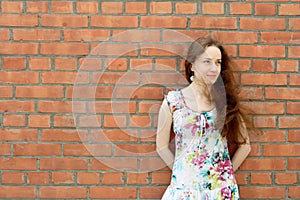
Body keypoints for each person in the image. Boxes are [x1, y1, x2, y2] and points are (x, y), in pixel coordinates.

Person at [156, 37, 253, 199]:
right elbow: (161, 146)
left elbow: (245, 146)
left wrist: (225, 176)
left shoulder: (225, 102)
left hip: (220, 192)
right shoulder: (173, 102)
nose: (214, 68)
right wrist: (182, 172)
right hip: (184, 190)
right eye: (207, 62)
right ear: (192, 65)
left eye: (218, 62)